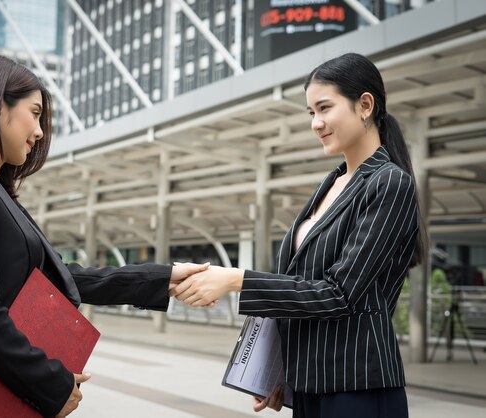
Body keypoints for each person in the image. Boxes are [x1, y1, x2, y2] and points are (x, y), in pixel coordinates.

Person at [0, 54, 208, 418]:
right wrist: (51, 385)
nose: (40, 132)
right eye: (35, 112)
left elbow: (59, 277)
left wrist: (161, 279)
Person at [170, 53, 426, 418]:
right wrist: (283, 373)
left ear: (365, 105)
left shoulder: (389, 183)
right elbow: (299, 284)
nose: (316, 123)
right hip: (310, 385)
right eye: (310, 113)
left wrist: (235, 279)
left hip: (357, 386)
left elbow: (339, 295)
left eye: (324, 108)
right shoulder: (331, 183)